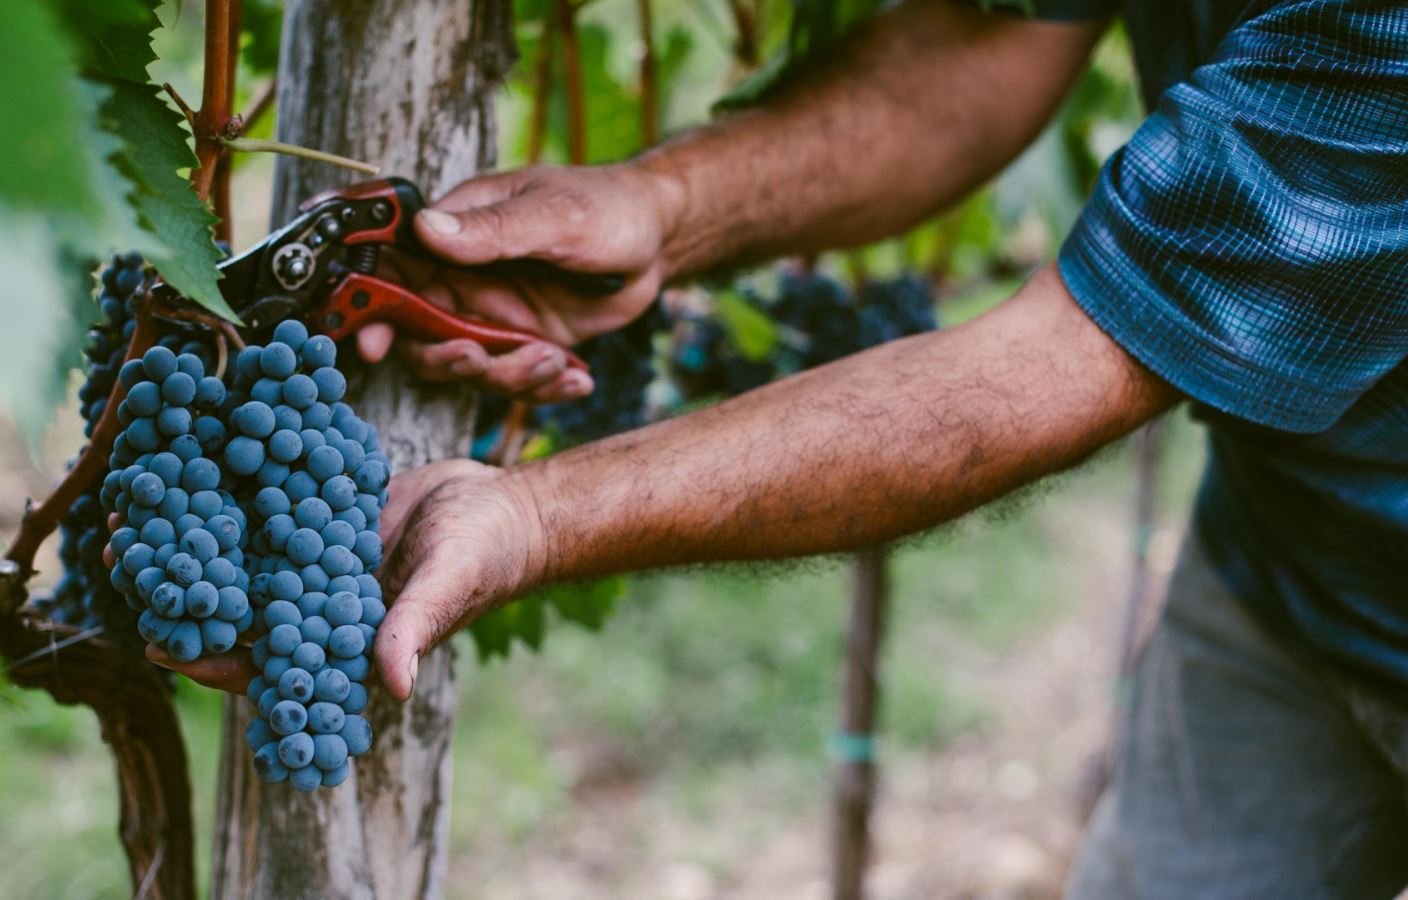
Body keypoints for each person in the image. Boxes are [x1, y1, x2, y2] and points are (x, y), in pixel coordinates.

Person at [161, 1, 1408, 895]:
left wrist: (538, 516)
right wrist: (666, 208)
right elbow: (987, 49)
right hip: (1283, 562)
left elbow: (1055, 367)